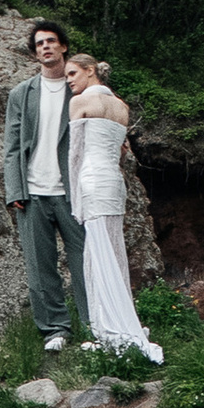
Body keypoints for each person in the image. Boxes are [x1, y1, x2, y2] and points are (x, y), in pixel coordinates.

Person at [66, 54, 163, 364]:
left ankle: (108, 326)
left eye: (73, 73)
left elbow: (75, 154)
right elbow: (121, 154)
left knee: (98, 251)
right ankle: (116, 319)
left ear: (90, 71)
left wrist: (75, 196)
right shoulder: (122, 107)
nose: (69, 80)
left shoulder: (80, 102)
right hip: (114, 183)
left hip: (93, 180)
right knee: (112, 247)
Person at [1, 22, 84, 354]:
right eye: (39, 44)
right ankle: (55, 329)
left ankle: (94, 326)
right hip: (33, 193)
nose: (45, 47)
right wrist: (15, 190)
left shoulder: (78, 88)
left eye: (51, 41)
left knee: (86, 261)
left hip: (73, 192)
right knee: (40, 265)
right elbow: (11, 147)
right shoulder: (22, 94)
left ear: (63, 46)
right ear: (35, 52)